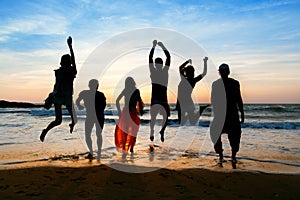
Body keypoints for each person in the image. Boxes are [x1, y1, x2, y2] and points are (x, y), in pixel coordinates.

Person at [40, 36, 77, 142]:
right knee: (59, 120)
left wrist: (70, 47)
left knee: (72, 119)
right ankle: (45, 131)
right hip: (60, 96)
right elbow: (57, 86)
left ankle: (71, 124)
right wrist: (51, 96)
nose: (69, 62)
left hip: (65, 97)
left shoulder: (69, 71)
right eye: (67, 61)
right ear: (64, 62)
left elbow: (74, 61)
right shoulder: (62, 72)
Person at [210, 63, 244, 165]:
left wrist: (242, 113)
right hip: (225, 114)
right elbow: (213, 100)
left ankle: (230, 156)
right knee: (217, 134)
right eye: (222, 71)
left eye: (224, 71)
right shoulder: (217, 84)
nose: (223, 73)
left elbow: (238, 99)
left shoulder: (234, 83)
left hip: (229, 114)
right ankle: (223, 156)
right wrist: (242, 113)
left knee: (234, 136)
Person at [76, 79, 106, 161]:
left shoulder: (99, 95)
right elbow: (77, 101)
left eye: (94, 85)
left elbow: (103, 106)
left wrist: (80, 106)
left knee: (97, 134)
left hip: (97, 116)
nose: (93, 87)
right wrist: (79, 106)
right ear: (90, 86)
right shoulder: (85, 93)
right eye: (92, 85)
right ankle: (92, 152)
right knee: (90, 134)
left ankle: (96, 152)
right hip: (94, 116)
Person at [115, 77, 144, 159]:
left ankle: (130, 148)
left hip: (129, 113)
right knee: (129, 132)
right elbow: (139, 101)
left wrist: (119, 111)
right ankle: (127, 149)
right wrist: (119, 112)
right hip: (129, 113)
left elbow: (139, 101)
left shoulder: (131, 90)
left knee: (129, 131)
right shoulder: (132, 91)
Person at [148, 40, 171, 144]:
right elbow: (150, 59)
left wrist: (162, 46)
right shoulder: (154, 72)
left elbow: (168, 58)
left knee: (166, 117)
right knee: (153, 118)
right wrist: (154, 47)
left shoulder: (164, 71)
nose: (158, 65)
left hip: (162, 99)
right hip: (156, 98)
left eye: (160, 63)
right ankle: (152, 131)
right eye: (157, 63)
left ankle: (162, 131)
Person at [176, 57, 209, 125]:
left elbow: (180, 67)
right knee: (192, 122)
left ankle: (201, 109)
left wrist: (187, 61)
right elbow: (204, 73)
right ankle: (201, 109)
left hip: (182, 102)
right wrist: (205, 62)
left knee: (182, 122)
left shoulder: (184, 79)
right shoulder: (193, 80)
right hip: (187, 101)